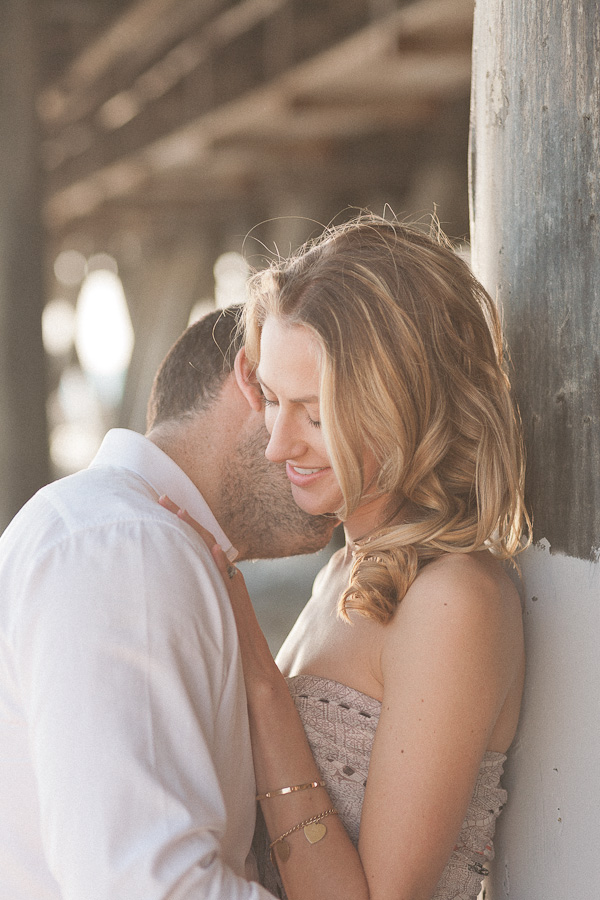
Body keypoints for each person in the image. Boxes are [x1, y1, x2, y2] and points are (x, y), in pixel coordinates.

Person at [165, 215, 531, 900]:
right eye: (271, 400)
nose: (277, 445)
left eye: (314, 412)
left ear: (404, 402)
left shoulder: (454, 600)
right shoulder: (344, 570)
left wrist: (261, 680)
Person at [0, 305, 334, 900]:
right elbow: (148, 885)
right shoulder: (129, 544)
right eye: (320, 408)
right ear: (255, 383)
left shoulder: (109, 532)